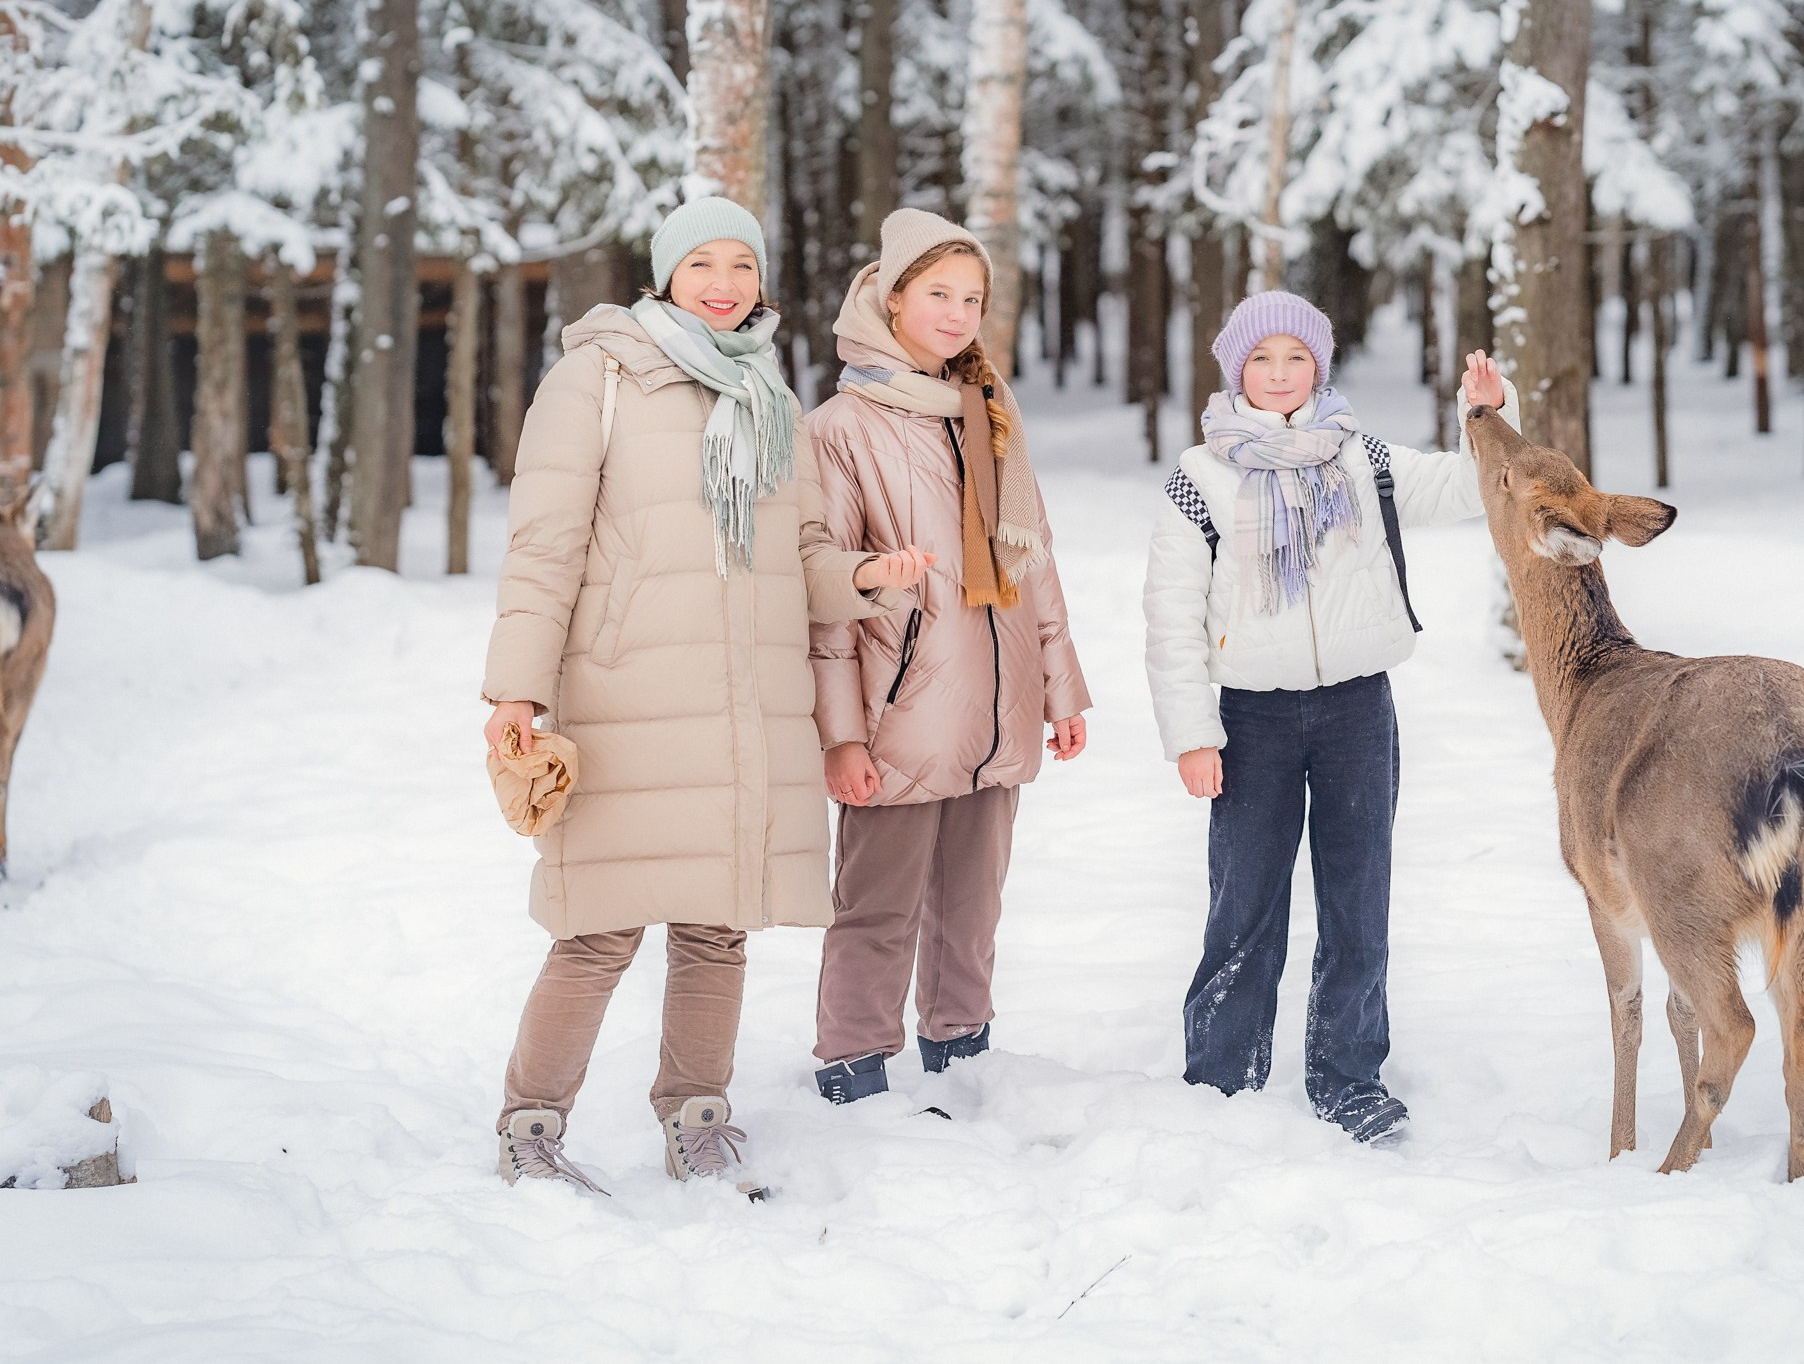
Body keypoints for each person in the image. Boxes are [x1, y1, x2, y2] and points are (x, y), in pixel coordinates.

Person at [481, 197, 934, 1195]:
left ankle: (697, 1116)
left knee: (717, 926)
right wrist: (516, 686)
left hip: (744, 705)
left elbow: (797, 557)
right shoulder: (595, 377)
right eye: (703, 265)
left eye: (741, 265)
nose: (724, 284)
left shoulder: (768, 393)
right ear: (665, 275)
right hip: (628, 694)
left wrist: (864, 575)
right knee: (598, 925)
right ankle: (531, 1127)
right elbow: (543, 543)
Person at [1142, 290, 1515, 1142]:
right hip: (1250, 718)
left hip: (1355, 708)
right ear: (1236, 368)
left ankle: (1348, 1075)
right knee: (1245, 902)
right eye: (1262, 360)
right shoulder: (1200, 477)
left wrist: (1486, 415)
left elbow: (1466, 487)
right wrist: (1194, 734)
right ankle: (1221, 1078)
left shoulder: (1362, 457)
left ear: (1321, 366)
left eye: (1297, 359)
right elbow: (1170, 614)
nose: (1279, 375)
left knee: (1358, 900)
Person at [801, 208, 1091, 1104]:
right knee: (877, 904)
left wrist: (1059, 688)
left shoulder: (987, 413)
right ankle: (853, 1061)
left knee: (972, 905)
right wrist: (842, 737)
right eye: (938, 293)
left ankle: (962, 1049)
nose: (959, 312)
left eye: (973, 297)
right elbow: (824, 600)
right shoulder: (840, 428)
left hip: (997, 706)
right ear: (889, 298)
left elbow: (1031, 557)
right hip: (901, 714)